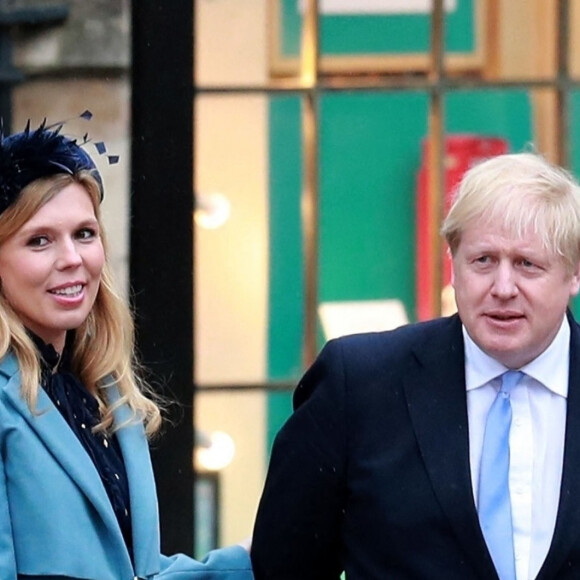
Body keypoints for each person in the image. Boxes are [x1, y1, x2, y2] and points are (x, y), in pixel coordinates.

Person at [251, 151, 580, 579]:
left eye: (527, 265)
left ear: (573, 274)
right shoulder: (360, 384)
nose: (502, 288)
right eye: (483, 260)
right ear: (454, 265)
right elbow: (283, 567)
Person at [0, 118, 253, 579]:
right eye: (39, 240)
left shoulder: (102, 394)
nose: (73, 259)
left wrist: (261, 556)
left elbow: (138, 573)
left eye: (84, 233)